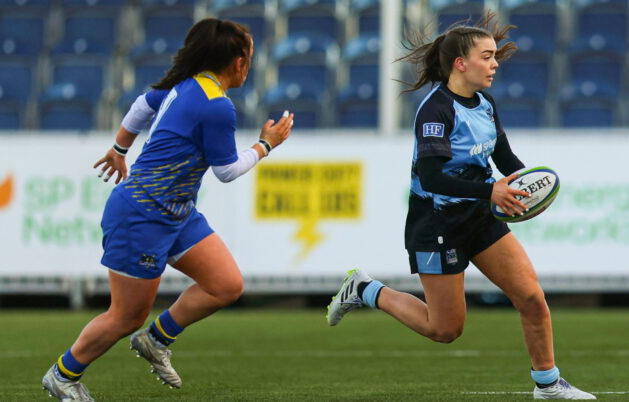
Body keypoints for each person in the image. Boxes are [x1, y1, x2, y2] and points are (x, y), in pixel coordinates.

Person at [326, 12, 596, 400]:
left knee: (531, 298)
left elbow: (505, 158)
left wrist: (527, 188)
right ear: (460, 64)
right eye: (487, 56)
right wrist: (491, 192)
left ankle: (548, 385)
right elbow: (432, 178)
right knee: (445, 330)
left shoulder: (485, 103)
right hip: (437, 225)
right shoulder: (435, 110)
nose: (495, 64)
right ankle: (365, 288)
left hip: (479, 217)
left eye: (494, 56)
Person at [41, 18, 294, 401]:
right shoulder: (217, 106)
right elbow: (226, 171)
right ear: (239, 62)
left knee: (225, 285)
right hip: (143, 216)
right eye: (250, 56)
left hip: (176, 212)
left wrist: (120, 148)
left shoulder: (186, 85)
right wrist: (266, 144)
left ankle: (156, 339)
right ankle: (62, 375)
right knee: (126, 316)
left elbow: (142, 105)